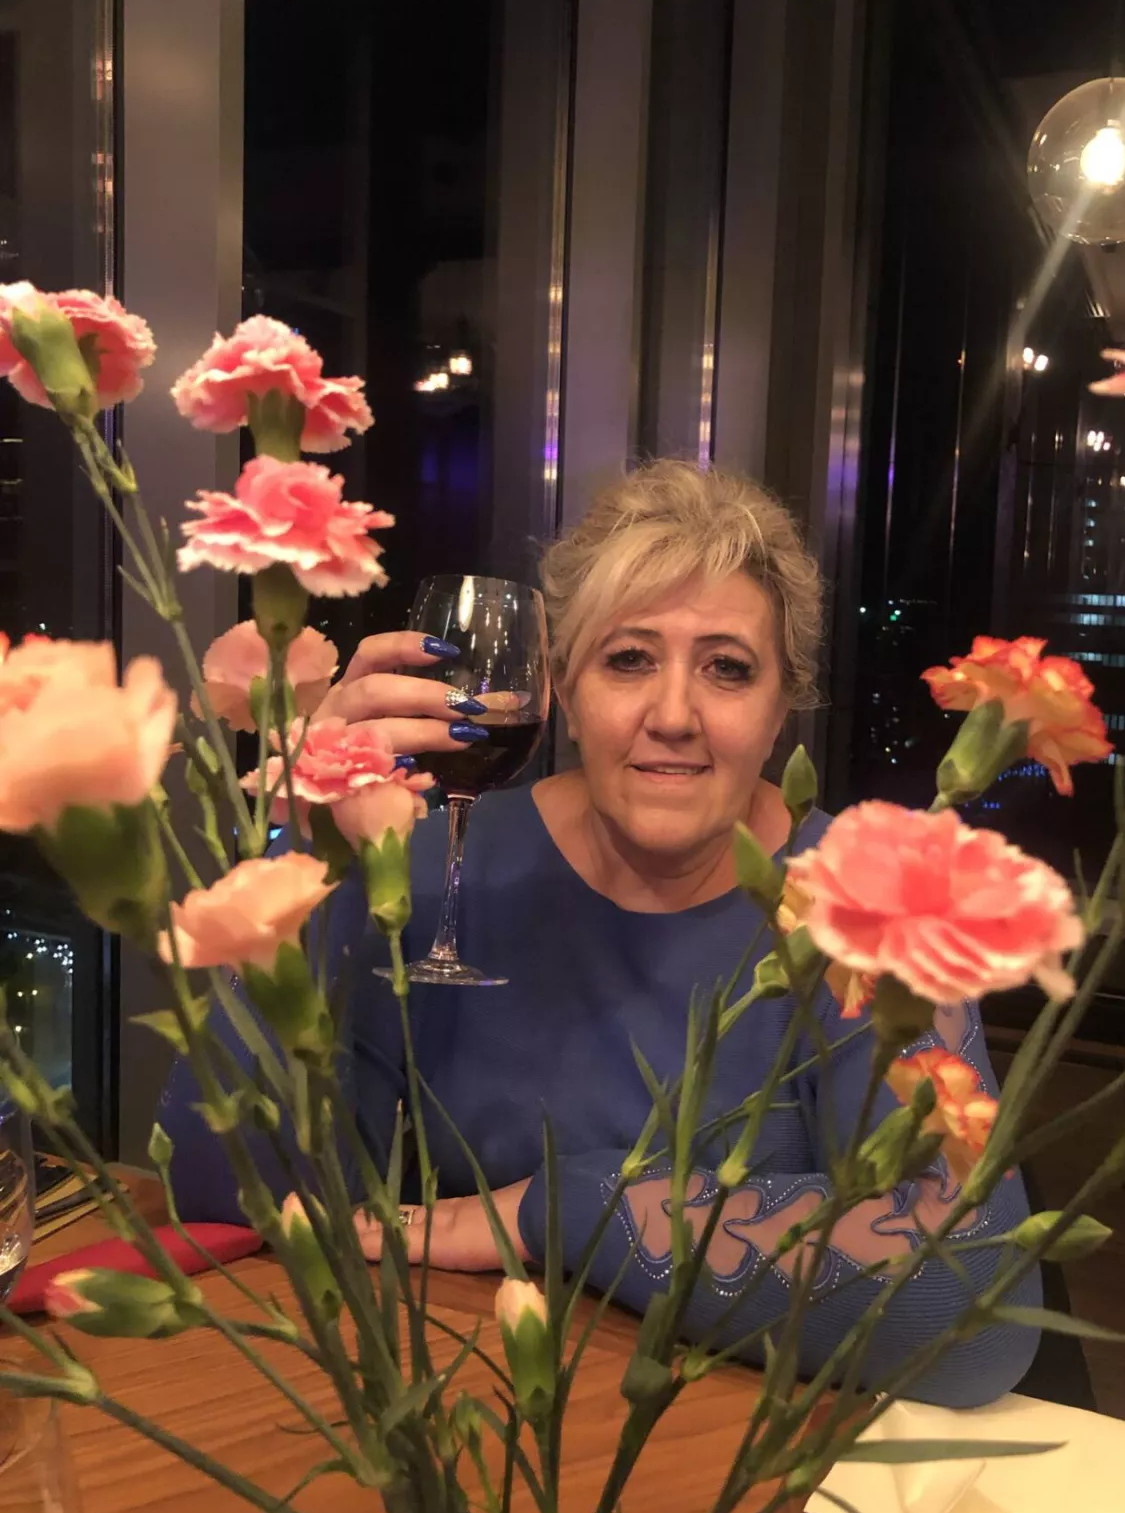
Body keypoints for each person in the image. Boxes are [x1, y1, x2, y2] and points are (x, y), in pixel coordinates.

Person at [159, 461, 1041, 1407]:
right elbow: (227, 1191)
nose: (673, 716)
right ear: (564, 690)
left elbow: (970, 1301)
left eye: (727, 667)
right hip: (464, 1414)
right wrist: (316, 853)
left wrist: (556, 1210)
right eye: (628, 660)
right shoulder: (428, 864)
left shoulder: (872, 906)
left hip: (721, 1439)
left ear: (783, 705)